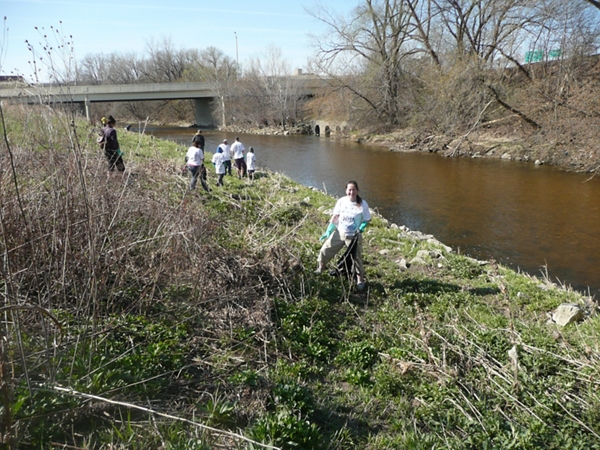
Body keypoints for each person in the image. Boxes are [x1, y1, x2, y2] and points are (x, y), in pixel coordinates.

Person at [316, 180, 371, 291]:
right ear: (346, 190)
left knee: (356, 258)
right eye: (349, 190)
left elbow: (367, 219)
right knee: (325, 250)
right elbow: (335, 216)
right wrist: (328, 231)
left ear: (357, 191)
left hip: (353, 237)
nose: (351, 192)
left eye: (354, 189)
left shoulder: (362, 204)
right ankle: (320, 269)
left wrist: (361, 228)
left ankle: (360, 280)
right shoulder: (341, 201)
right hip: (339, 233)